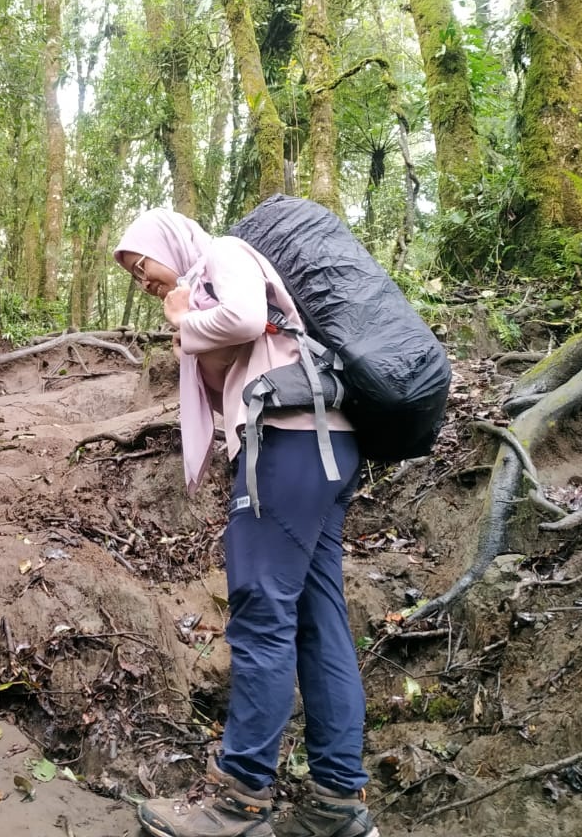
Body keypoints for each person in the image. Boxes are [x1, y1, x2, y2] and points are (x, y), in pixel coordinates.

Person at [114, 209, 378, 837]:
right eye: (127, 271)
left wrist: (182, 319)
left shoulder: (223, 254)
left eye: (139, 260)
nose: (138, 277)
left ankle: (239, 801)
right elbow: (229, 362)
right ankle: (337, 803)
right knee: (319, 619)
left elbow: (243, 318)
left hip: (287, 445)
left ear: (170, 243)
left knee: (262, 615)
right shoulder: (206, 280)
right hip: (323, 448)